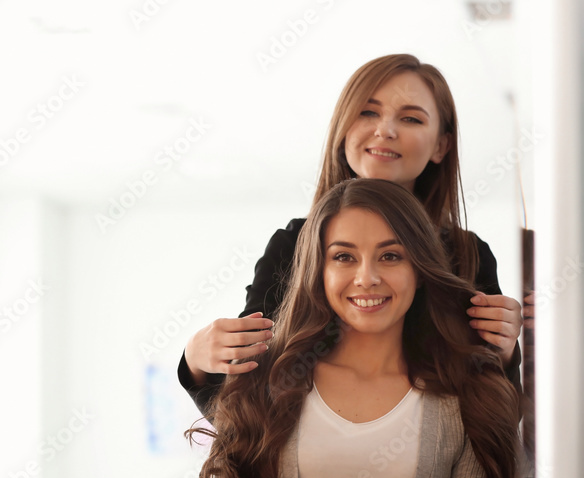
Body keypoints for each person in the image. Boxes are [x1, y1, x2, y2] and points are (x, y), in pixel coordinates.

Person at [191, 178, 525, 478]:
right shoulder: (263, 386)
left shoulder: (466, 396)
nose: (366, 278)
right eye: (344, 257)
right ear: (319, 269)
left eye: (390, 256)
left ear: (419, 269)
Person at [179, 54, 524, 417]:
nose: (385, 130)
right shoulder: (294, 245)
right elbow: (241, 410)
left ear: (441, 145)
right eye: (368, 112)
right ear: (343, 129)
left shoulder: (468, 254)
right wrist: (197, 361)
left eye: (410, 118)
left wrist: (504, 351)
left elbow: (499, 418)